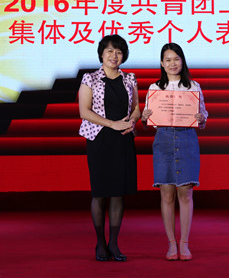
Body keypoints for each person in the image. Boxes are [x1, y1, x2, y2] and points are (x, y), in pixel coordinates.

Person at [141, 43, 208, 261]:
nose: (172, 64)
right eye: (168, 60)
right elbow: (147, 122)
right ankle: (171, 244)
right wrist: (145, 117)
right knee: (167, 194)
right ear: (162, 63)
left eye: (176, 59)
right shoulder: (155, 88)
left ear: (182, 61)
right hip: (163, 140)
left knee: (185, 194)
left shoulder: (193, 87)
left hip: (187, 139)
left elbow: (203, 118)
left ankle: (185, 243)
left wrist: (201, 118)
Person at [78, 35, 141, 262]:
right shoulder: (90, 78)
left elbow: (136, 107)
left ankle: (114, 243)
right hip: (99, 139)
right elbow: (84, 111)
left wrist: (132, 121)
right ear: (101, 54)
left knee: (117, 193)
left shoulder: (129, 78)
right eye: (110, 51)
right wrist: (112, 124)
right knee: (100, 193)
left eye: (119, 52)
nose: (114, 56)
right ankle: (100, 243)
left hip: (123, 139)